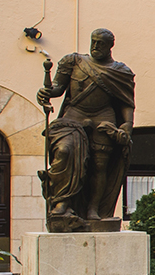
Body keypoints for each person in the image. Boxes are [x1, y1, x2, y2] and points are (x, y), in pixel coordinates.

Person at [37, 28, 135, 224]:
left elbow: (126, 102)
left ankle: (93, 209)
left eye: (101, 43)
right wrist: (45, 92)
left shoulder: (120, 72)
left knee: (100, 166)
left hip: (103, 117)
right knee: (65, 150)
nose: (96, 46)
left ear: (110, 46)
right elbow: (57, 88)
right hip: (75, 114)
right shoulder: (73, 62)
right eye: (94, 41)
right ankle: (62, 202)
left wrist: (127, 126)